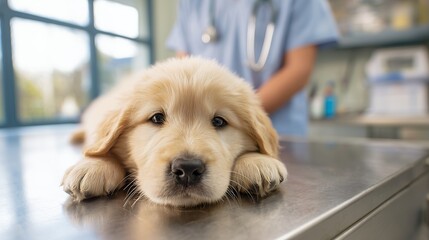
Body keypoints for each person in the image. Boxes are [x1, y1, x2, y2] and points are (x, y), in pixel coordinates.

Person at [166, 0, 339, 136]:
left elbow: (298, 69)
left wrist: (239, 119)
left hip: (277, 134)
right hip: (206, 131)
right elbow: (184, 67)